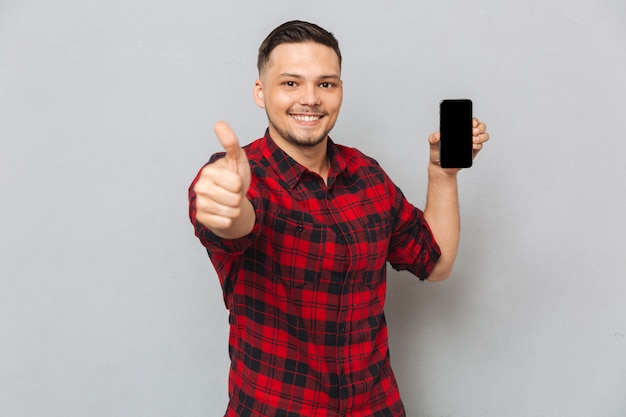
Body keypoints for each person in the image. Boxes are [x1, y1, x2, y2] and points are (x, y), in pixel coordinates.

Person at [189, 20, 489, 417]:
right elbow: (232, 224)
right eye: (291, 83)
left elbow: (435, 263)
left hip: (375, 406)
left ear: (340, 90)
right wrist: (224, 210)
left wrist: (443, 175)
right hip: (277, 409)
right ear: (261, 93)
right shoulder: (237, 178)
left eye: (326, 84)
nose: (310, 99)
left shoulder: (366, 173)